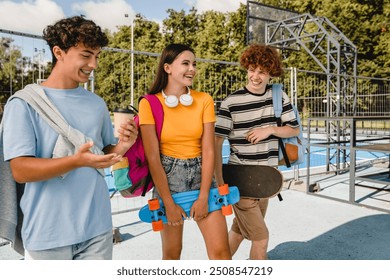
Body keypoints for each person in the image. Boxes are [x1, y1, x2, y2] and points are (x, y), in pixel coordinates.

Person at [2, 16, 138, 260]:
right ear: (59, 52)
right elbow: (21, 170)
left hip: (98, 228)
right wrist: (75, 161)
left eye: (97, 56)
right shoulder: (23, 104)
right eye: (86, 55)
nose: (93, 64)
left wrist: (124, 145)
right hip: (47, 234)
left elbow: (104, 154)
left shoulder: (96, 104)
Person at [138, 43, 231, 260]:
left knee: (221, 253)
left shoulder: (204, 100)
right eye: (186, 63)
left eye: (194, 64)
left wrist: (204, 194)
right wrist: (169, 203)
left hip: (203, 176)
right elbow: (153, 157)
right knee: (172, 254)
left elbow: (208, 151)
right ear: (168, 68)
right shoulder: (149, 103)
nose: (192, 69)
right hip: (168, 179)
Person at [214, 44, 300, 260]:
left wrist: (269, 130)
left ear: (271, 73)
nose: (255, 76)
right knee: (261, 238)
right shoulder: (231, 102)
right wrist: (218, 182)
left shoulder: (279, 96)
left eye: (262, 71)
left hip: (266, 179)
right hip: (240, 180)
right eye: (252, 69)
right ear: (246, 69)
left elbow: (294, 128)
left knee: (240, 230)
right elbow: (216, 143)